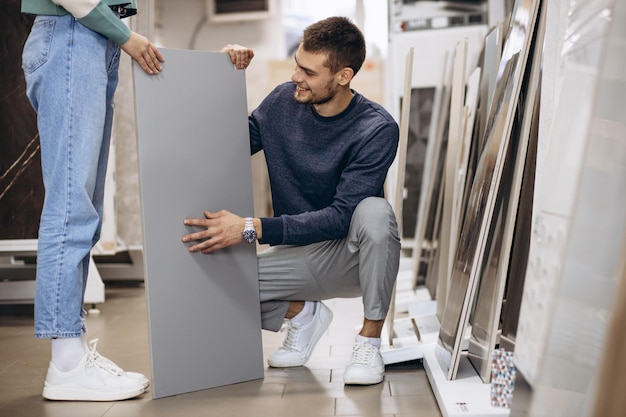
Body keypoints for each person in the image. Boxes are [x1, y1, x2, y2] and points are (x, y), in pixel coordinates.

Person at [20, 0, 254, 401]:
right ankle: (66, 363)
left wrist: (127, 38)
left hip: (92, 41)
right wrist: (127, 36)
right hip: (73, 37)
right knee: (71, 208)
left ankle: (70, 353)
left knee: (83, 211)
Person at [182, 16, 401, 386]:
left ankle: (369, 341)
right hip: (297, 252)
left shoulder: (376, 128)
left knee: (376, 213)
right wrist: (216, 75)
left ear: (343, 76)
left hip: (349, 255)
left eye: (309, 72)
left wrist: (249, 229)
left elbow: (340, 217)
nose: (296, 76)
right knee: (210, 283)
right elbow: (228, 142)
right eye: (297, 63)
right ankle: (302, 313)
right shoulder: (283, 101)